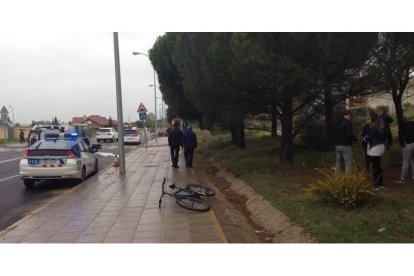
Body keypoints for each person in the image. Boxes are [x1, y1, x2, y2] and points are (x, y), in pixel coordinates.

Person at [364, 113, 386, 188]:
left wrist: (364, 138)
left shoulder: (373, 127)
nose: (368, 120)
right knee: (378, 165)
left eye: (369, 118)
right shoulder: (380, 126)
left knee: (375, 166)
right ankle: (381, 183)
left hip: (375, 148)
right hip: (381, 146)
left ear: (371, 119)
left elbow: (368, 137)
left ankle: (376, 184)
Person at [335, 110, 358, 175]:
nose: (351, 117)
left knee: (338, 163)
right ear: (348, 114)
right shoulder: (347, 122)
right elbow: (350, 134)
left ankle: (336, 179)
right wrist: (355, 139)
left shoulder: (337, 122)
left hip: (337, 145)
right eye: (351, 115)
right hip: (346, 145)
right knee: (348, 163)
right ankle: (348, 180)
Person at [393, 119, 414, 184]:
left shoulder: (402, 125)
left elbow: (401, 136)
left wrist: (402, 144)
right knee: (413, 160)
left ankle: (402, 179)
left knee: (405, 161)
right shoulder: (412, 123)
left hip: (408, 144)